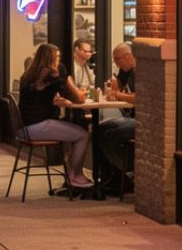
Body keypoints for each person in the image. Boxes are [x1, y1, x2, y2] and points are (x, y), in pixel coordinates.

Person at [17, 43, 94, 189]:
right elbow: (78, 98)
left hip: (26, 127)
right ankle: (74, 176)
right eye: (57, 57)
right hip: (38, 126)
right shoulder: (52, 72)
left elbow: (37, 97)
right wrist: (66, 76)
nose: (59, 60)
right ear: (51, 58)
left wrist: (54, 100)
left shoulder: (30, 74)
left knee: (76, 129)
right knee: (83, 135)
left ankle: (71, 174)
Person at [96, 43, 137, 191]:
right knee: (99, 129)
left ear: (128, 56)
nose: (116, 63)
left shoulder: (139, 70)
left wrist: (117, 94)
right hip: (131, 115)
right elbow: (117, 87)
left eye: (117, 59)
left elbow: (139, 98)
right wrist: (114, 84)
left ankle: (126, 172)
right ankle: (112, 177)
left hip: (141, 120)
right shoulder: (125, 70)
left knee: (107, 135)